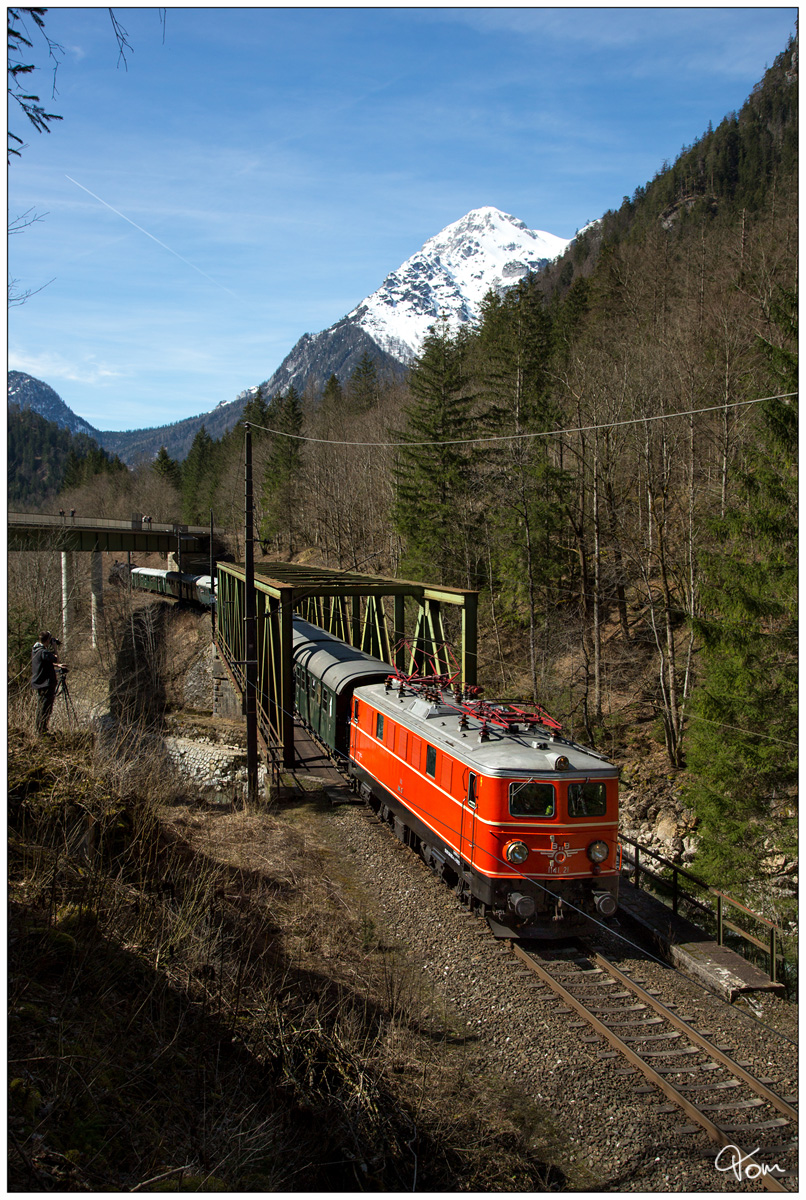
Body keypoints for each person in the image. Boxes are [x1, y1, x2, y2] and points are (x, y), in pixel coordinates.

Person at [31, 632, 66, 735]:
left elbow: (43, 663)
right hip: (46, 684)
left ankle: (40, 729)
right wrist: (55, 647)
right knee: (46, 708)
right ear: (47, 640)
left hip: (40, 683)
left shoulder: (36, 650)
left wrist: (57, 665)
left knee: (41, 707)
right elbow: (56, 657)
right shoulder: (43, 652)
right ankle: (42, 730)